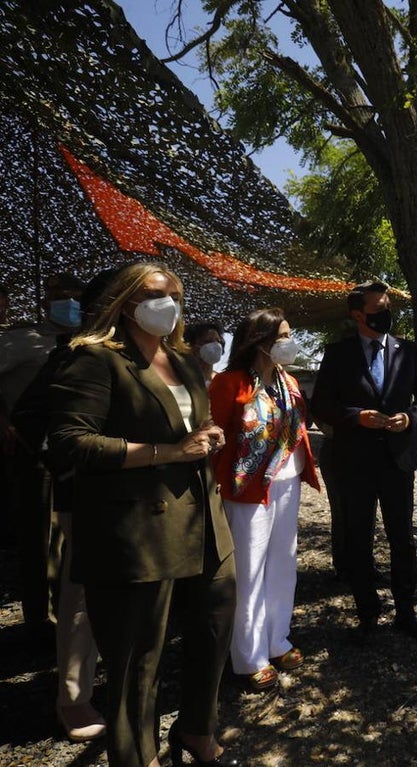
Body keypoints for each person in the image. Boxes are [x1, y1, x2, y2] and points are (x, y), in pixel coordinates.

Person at [47, 262, 239, 767]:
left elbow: (193, 425)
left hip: (204, 522)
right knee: (139, 660)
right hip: (137, 531)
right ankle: (137, 756)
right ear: (125, 301)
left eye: (175, 294)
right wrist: (167, 452)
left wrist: (208, 436)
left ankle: (196, 729)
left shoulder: (183, 361)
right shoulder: (93, 359)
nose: (168, 304)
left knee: (214, 629)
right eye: (155, 293)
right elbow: (71, 441)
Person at [11, 267, 123, 742]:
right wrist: (70, 466)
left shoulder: (158, 357)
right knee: (81, 598)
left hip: (147, 502)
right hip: (89, 495)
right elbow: (33, 420)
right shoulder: (71, 355)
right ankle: (74, 697)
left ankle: (125, 682)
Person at [311, 282, 417, 640]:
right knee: (358, 540)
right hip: (354, 462)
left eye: (387, 306)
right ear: (357, 314)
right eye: (378, 309)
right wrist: (356, 417)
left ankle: (406, 612)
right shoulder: (338, 354)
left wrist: (410, 417)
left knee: (402, 539)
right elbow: (322, 405)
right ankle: (368, 613)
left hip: (398, 461)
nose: (386, 313)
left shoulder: (408, 351)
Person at [209, 308, 319, 692]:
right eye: (282, 336)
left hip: (288, 482)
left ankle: (277, 639)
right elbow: (215, 437)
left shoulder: (289, 381)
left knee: (283, 564)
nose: (289, 343)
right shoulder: (229, 383)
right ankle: (249, 655)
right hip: (246, 490)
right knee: (249, 570)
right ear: (260, 341)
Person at [1, 273, 85, 647]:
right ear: (44, 301)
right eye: (58, 295)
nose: (67, 301)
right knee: (40, 541)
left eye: (74, 295)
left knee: (80, 540)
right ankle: (41, 626)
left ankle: (78, 618)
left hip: (83, 453)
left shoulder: (91, 341)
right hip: (35, 453)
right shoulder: (19, 340)